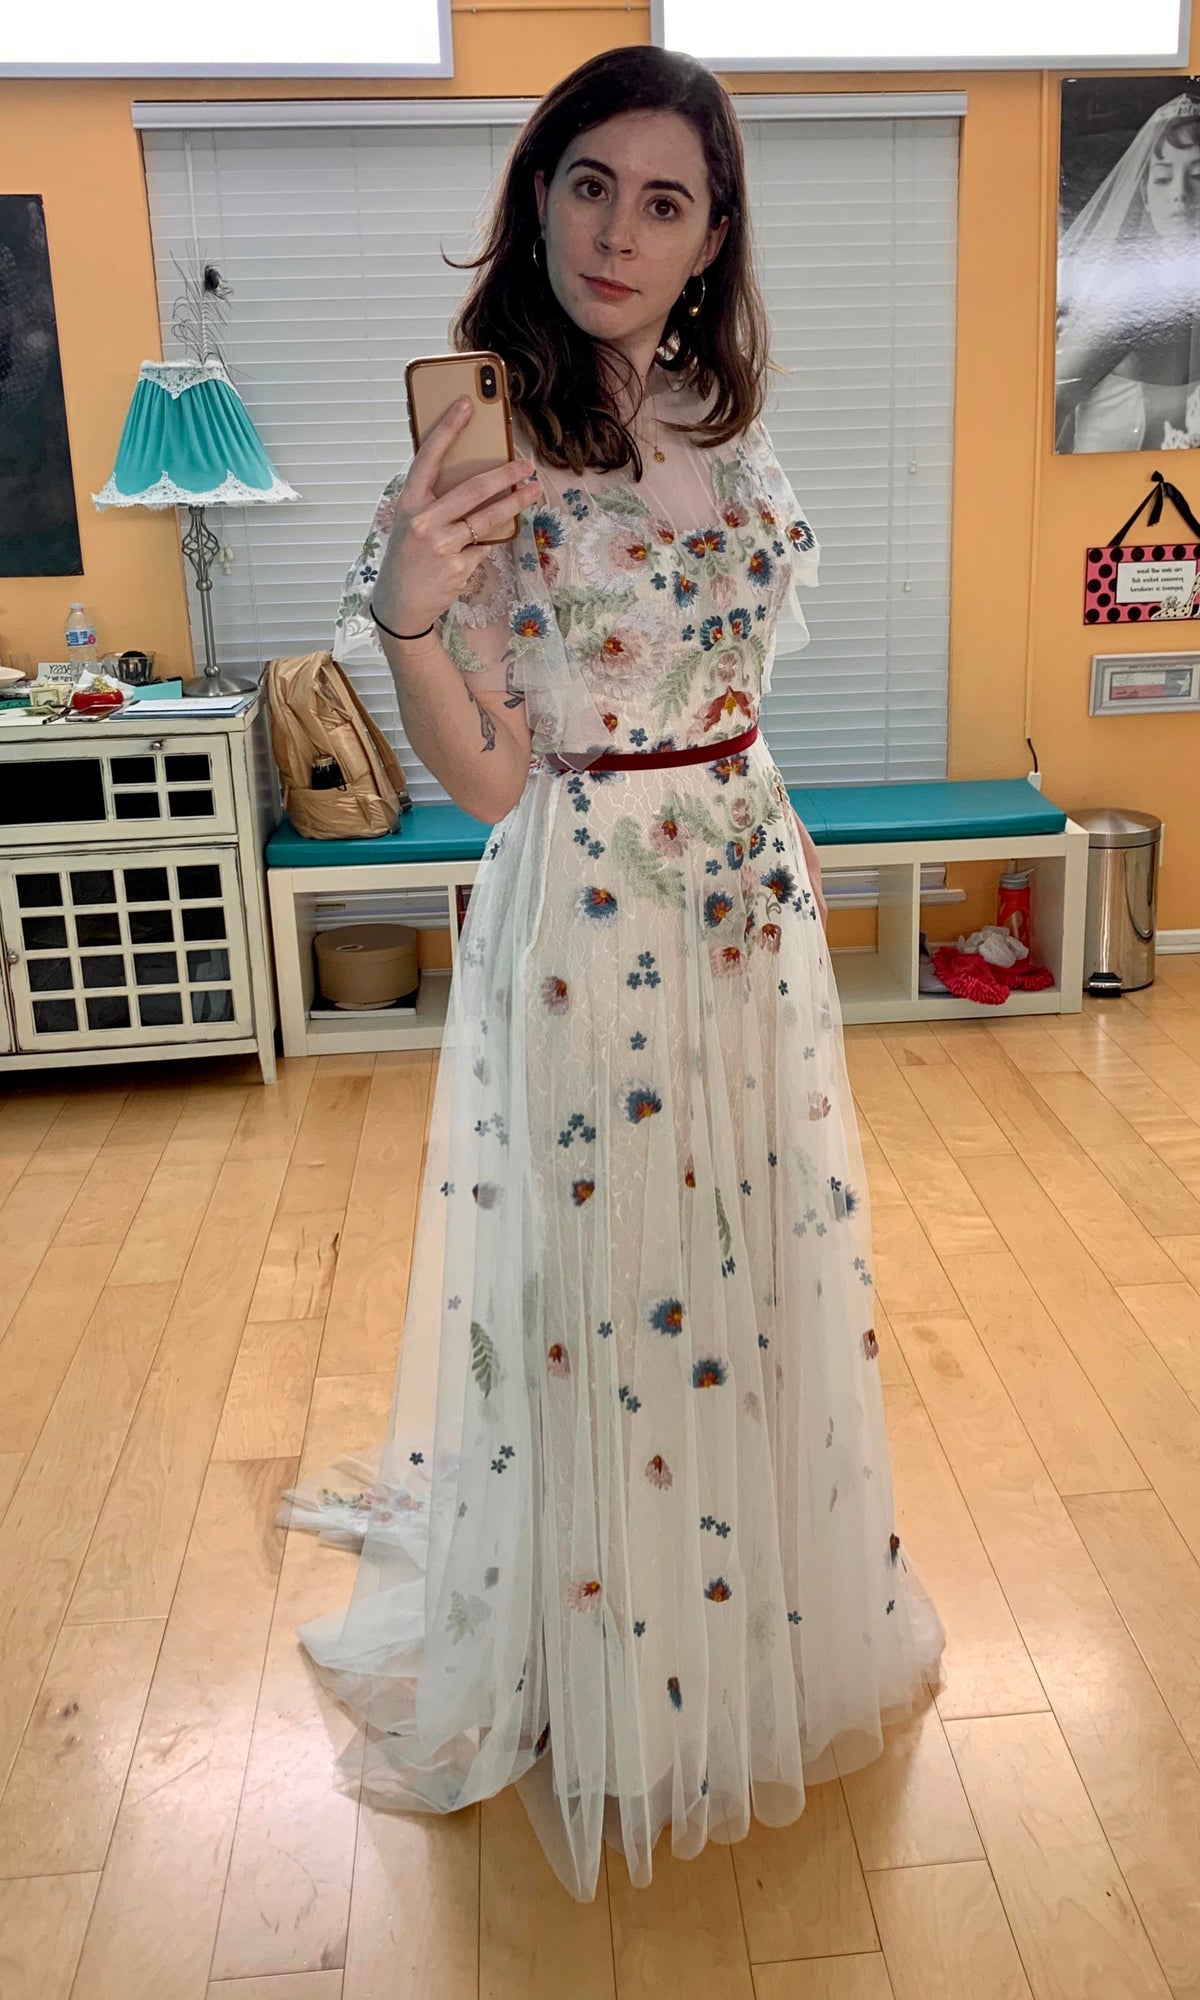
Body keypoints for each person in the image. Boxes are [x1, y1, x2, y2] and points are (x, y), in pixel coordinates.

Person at [281, 42, 947, 1904]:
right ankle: (614, 1665)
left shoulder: (725, 422)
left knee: (755, 1260)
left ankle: (752, 1616)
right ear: (539, 194)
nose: (618, 232)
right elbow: (493, 778)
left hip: (748, 890)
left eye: (666, 201)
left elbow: (736, 672)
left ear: (712, 237)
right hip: (590, 910)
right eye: (589, 184)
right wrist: (410, 615)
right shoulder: (477, 458)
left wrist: (765, 836)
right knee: (608, 1288)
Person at [1057, 92, 1200, 452]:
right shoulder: (1127, 300)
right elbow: (1046, 408)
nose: (1180, 193)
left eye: (1199, 176)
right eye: (1163, 178)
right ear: (1146, 196)